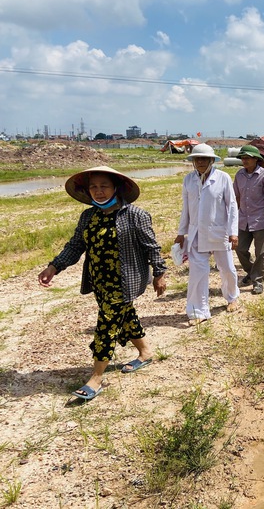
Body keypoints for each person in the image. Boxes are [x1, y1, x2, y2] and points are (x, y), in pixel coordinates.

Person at [38, 166, 167, 401]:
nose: (98, 192)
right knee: (125, 316)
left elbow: (152, 247)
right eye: (93, 187)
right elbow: (75, 246)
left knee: (107, 324)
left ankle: (96, 378)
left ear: (116, 188)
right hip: (99, 282)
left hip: (125, 282)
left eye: (104, 186)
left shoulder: (135, 215)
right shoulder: (88, 216)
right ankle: (145, 351)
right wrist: (54, 267)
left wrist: (159, 273)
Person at [175, 144, 240, 325]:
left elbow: (232, 206)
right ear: (193, 162)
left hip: (220, 232)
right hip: (196, 233)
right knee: (197, 272)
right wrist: (181, 233)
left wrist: (233, 232)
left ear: (212, 160)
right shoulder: (188, 180)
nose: (200, 162)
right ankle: (198, 311)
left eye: (204, 159)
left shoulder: (223, 178)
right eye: (197, 159)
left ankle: (232, 297)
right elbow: (185, 209)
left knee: (226, 268)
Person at [233, 145, 264, 294]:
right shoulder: (239, 175)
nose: (244, 160)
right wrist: (233, 217)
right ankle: (252, 272)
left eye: (247, 158)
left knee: (261, 252)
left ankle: (257, 281)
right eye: (242, 158)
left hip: (259, 219)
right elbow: (237, 197)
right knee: (240, 249)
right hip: (243, 218)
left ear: (255, 159)